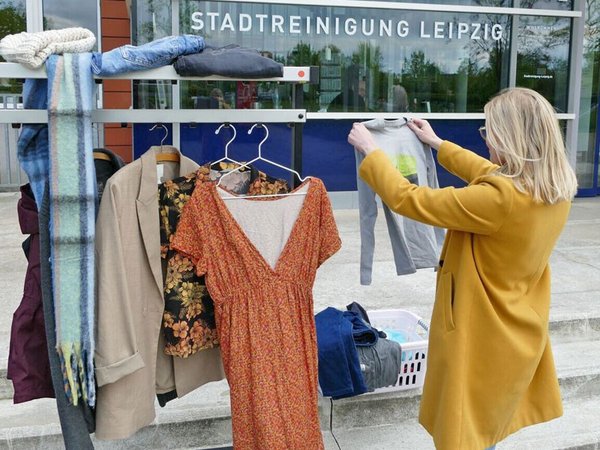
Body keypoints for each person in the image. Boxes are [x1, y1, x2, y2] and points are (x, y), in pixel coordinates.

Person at [347, 87, 577, 450]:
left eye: (490, 132)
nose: (486, 140)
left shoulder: (498, 200)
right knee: (486, 424)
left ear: (513, 139)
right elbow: (489, 172)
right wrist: (437, 143)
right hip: (516, 330)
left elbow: (411, 200)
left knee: (467, 433)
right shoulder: (554, 190)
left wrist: (373, 153)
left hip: (479, 331)